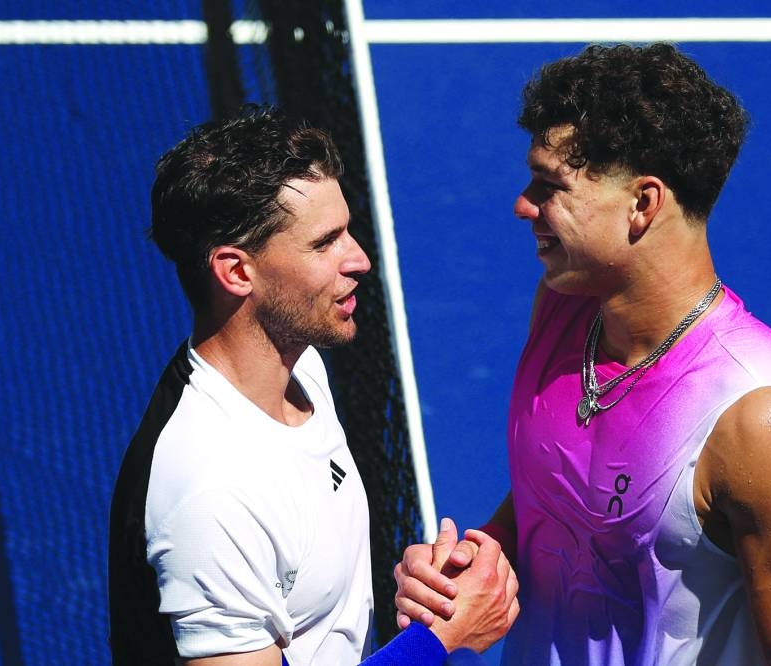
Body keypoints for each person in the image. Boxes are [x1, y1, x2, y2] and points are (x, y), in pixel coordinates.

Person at [394, 43, 771, 665]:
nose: (522, 205)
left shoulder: (763, 424)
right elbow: (557, 500)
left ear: (643, 204)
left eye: (549, 187)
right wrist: (482, 559)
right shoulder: (563, 309)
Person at [108, 104, 518, 665]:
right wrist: (440, 640)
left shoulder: (299, 365)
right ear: (236, 272)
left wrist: (425, 591)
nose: (360, 260)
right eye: (324, 243)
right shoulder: (211, 492)